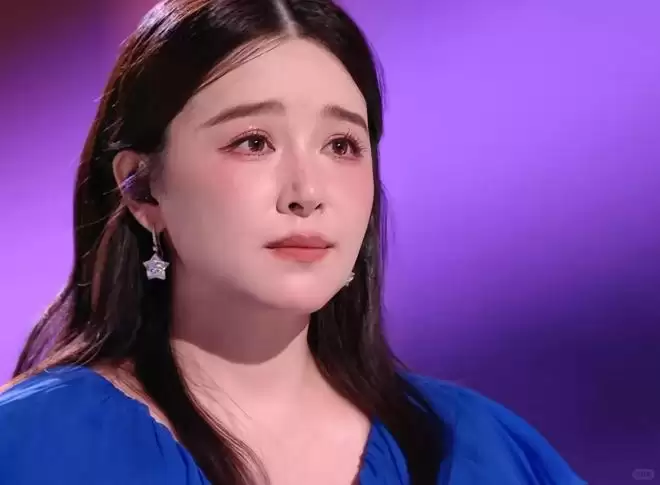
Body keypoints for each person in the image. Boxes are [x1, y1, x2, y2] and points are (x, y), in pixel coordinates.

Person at [0, 0, 587, 484]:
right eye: (254, 141)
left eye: (341, 145)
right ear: (142, 186)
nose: (307, 192)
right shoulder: (32, 446)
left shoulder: (481, 451)